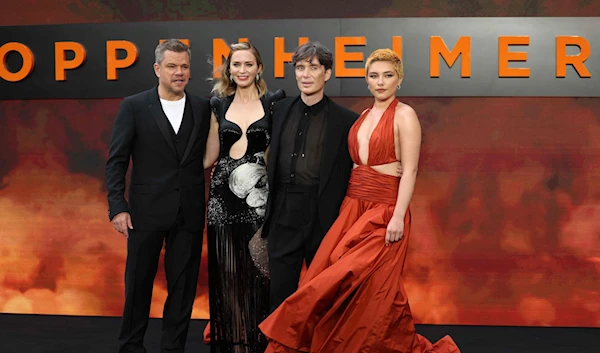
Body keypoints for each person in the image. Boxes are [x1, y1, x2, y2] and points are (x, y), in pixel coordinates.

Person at [258, 49, 461, 352]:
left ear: (399, 79)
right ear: (366, 80)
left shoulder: (405, 114)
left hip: (384, 211)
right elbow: (351, 163)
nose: (380, 82)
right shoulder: (363, 116)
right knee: (331, 284)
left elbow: (412, 169)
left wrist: (397, 215)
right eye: (374, 76)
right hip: (352, 207)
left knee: (373, 287)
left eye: (388, 75)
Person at [105, 39, 211, 353]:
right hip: (144, 212)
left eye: (184, 66)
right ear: (157, 68)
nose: (179, 72)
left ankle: (172, 348)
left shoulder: (202, 107)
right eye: (172, 66)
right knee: (138, 286)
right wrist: (117, 207)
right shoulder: (134, 105)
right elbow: (117, 160)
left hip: (188, 212)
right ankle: (131, 345)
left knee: (183, 288)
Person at [261, 41, 359, 312]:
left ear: (326, 73)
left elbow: (358, 166)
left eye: (313, 68)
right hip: (282, 212)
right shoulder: (279, 110)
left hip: (321, 216)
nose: (305, 74)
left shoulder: (346, 120)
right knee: (279, 294)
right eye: (300, 67)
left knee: (322, 296)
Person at [202, 41, 285, 353]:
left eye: (248, 64)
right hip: (222, 201)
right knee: (228, 275)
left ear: (259, 68)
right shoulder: (218, 105)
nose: (242, 70)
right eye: (236, 65)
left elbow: (275, 154)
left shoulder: (274, 103)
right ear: (229, 69)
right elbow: (209, 156)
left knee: (259, 275)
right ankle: (233, 344)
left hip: (257, 202)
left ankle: (259, 343)